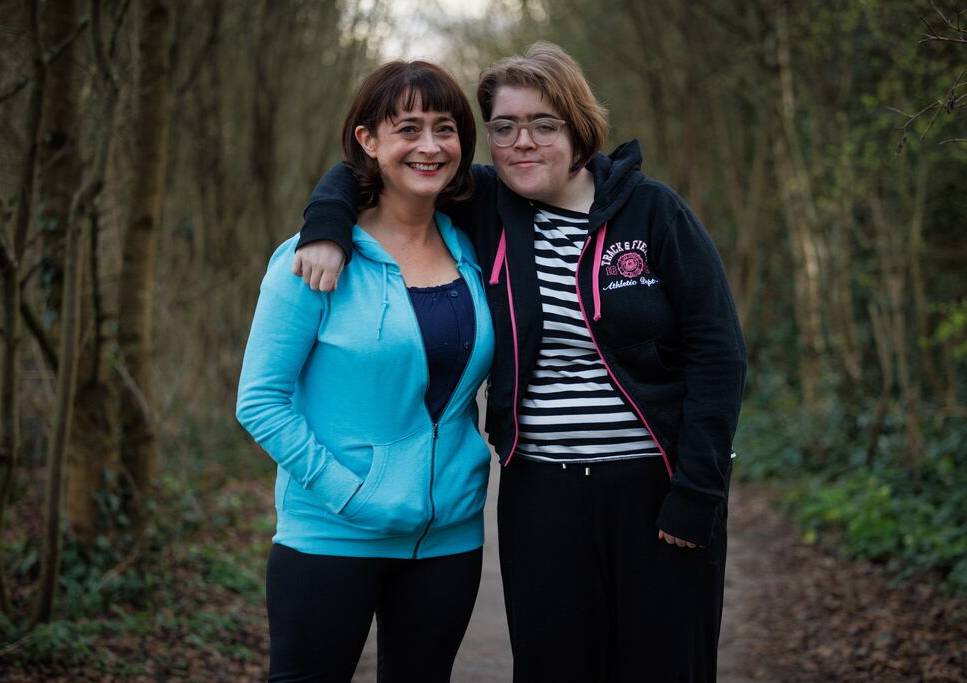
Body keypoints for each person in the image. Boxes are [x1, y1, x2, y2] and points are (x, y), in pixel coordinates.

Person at [293, 42, 747, 682]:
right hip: (542, 496)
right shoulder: (485, 206)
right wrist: (325, 226)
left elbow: (717, 355)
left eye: (543, 124)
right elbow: (369, 167)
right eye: (504, 128)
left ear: (579, 131)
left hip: (655, 489)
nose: (522, 143)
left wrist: (698, 493)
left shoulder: (654, 213)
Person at [235, 60, 495, 683]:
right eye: (407, 128)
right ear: (368, 141)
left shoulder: (475, 246)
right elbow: (260, 401)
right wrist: (350, 494)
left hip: (449, 539)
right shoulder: (312, 260)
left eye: (445, 128)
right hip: (331, 534)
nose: (430, 146)